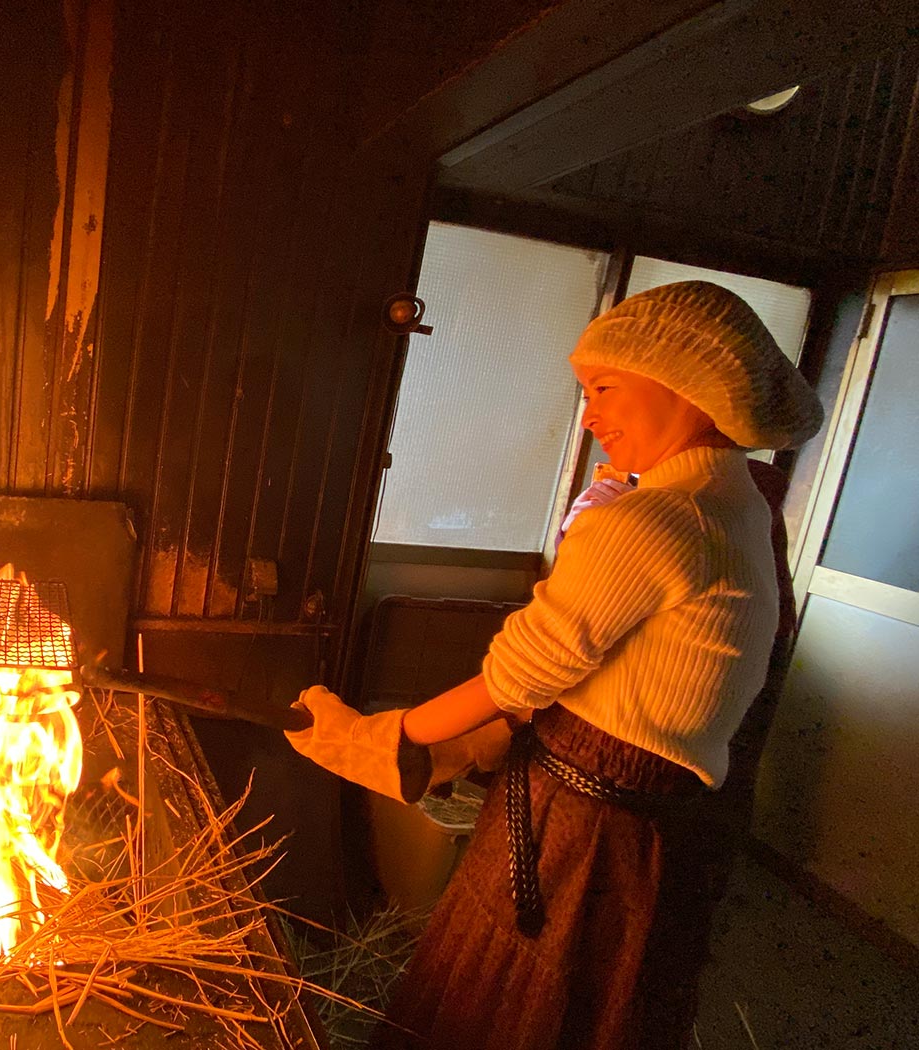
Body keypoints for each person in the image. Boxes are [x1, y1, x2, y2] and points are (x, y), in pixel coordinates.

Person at [286, 281, 823, 1050]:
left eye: (604, 388)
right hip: (643, 828)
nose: (589, 414)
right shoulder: (738, 501)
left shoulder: (657, 517)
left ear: (691, 385)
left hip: (581, 828)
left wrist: (381, 737)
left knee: (503, 1004)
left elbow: (522, 671)